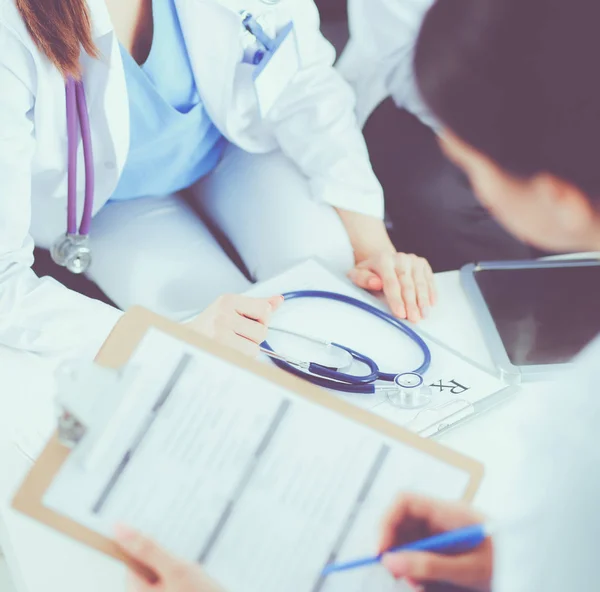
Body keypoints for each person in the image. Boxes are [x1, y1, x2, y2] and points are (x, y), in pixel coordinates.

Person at [113, 0, 600, 589]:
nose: (459, 168)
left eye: (471, 166)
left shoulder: (573, 435)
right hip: (107, 203)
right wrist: (511, 562)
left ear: (560, 198)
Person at [0, 0, 435, 362]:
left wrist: (374, 248)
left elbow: (304, 85)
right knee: (221, 343)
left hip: (232, 144)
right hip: (106, 206)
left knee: (332, 285)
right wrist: (165, 339)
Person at [337, 0, 543, 272]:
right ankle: (507, 300)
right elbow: (406, 62)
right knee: (440, 193)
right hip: (411, 85)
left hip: (556, 91)